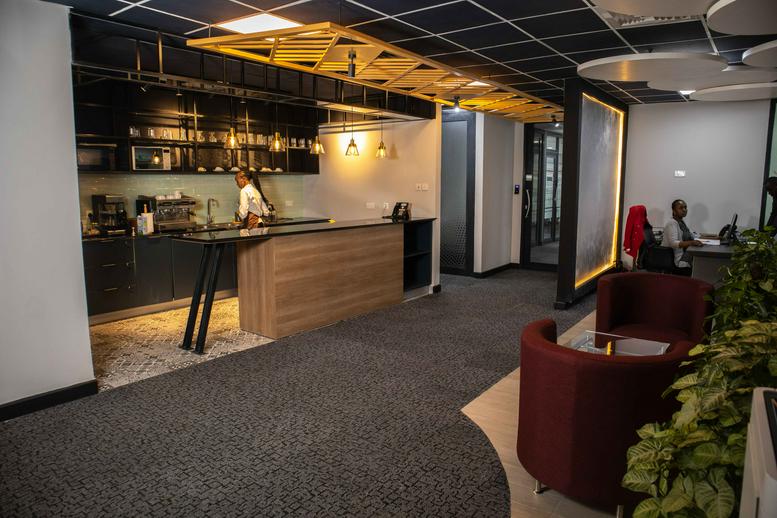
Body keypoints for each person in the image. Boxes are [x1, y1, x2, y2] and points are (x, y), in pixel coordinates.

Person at [662, 199, 702, 276]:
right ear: (674, 211)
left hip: (685, 254)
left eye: (685, 207)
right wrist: (692, 242)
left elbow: (691, 235)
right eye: (681, 208)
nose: (684, 210)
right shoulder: (672, 223)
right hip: (677, 259)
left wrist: (711, 237)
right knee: (700, 260)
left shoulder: (681, 222)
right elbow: (673, 243)